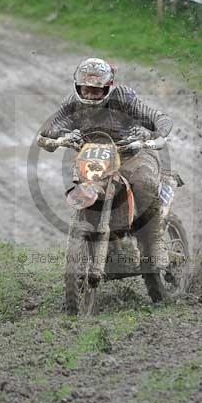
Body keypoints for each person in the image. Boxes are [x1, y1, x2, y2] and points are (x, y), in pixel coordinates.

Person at [37, 57, 173, 269]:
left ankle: (155, 244)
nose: (90, 94)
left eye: (96, 90)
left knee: (143, 183)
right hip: (95, 158)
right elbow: (48, 130)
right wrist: (59, 139)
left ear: (108, 88)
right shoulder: (72, 104)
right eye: (86, 89)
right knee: (82, 185)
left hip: (131, 154)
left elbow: (158, 118)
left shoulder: (124, 98)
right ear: (78, 87)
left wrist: (157, 136)